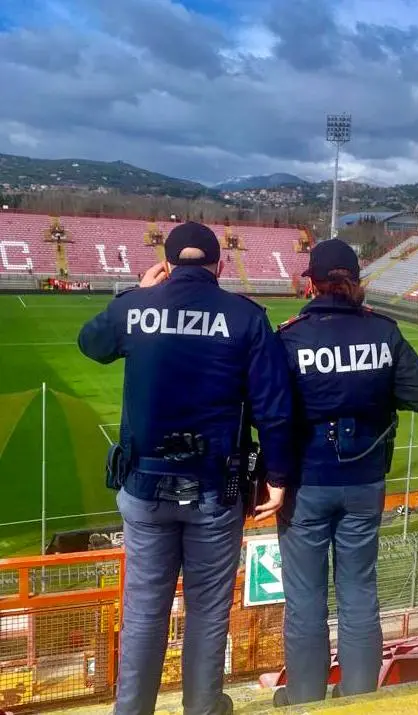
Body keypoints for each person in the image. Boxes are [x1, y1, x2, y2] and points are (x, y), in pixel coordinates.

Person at [78, 222, 292, 715]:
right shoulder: (246, 318)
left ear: (168, 265)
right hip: (215, 491)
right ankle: (201, 707)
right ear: (219, 266)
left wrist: (140, 293)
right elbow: (273, 409)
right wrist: (276, 479)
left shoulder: (138, 306)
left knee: (144, 614)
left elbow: (92, 343)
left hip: (145, 488)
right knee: (208, 614)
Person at [274, 239, 418, 707]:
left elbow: (266, 408)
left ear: (310, 282)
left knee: (305, 600)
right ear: (356, 282)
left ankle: (306, 699)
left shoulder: (291, 335)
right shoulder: (383, 333)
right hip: (365, 483)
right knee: (358, 592)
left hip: (306, 484)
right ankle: (360, 701)